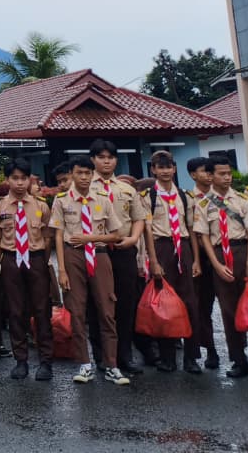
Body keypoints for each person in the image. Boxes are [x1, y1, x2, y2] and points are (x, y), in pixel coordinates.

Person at [51, 156, 128, 386]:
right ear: (72, 175)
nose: (84, 178)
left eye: (87, 173)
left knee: (106, 310)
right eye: (79, 173)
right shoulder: (62, 200)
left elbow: (117, 234)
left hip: (99, 254)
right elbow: (58, 235)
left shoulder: (102, 199)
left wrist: (90, 238)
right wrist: (61, 270)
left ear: (93, 175)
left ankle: (112, 364)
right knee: (76, 311)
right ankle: (84, 364)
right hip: (73, 256)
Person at [194, 152, 248, 380]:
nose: (227, 177)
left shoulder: (242, 199)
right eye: (222, 174)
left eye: (229, 173)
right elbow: (204, 237)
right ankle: (239, 359)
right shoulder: (204, 203)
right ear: (211, 176)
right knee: (229, 310)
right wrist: (216, 265)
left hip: (244, 252)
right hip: (220, 256)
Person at [0, 159, 54, 381]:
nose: (19, 183)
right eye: (15, 178)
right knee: (16, 311)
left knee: (42, 310)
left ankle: (45, 361)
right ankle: (21, 361)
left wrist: (42, 262)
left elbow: (47, 238)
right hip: (11, 259)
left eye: (24, 178)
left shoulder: (41, 206)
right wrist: (2, 264)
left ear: (30, 180)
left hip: (36, 259)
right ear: (7, 180)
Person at [88, 139, 147, 376]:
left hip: (124, 251)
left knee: (125, 304)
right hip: (97, 252)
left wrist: (134, 238)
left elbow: (139, 218)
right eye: (101, 157)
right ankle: (102, 356)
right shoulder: (84, 188)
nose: (106, 162)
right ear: (93, 160)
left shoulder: (127, 189)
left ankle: (125, 355)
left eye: (110, 157)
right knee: (98, 305)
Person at [142, 150, 202, 374]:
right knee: (164, 305)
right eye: (160, 167)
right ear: (153, 170)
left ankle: (191, 357)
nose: (165, 171)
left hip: (183, 248)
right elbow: (147, 231)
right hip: (162, 248)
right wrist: (153, 261)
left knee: (190, 304)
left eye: (169, 167)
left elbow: (192, 230)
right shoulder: (148, 197)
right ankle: (168, 357)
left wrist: (196, 260)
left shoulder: (185, 196)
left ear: (174, 169)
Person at [186, 155, 219, 368]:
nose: (208, 175)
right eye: (204, 171)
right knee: (200, 306)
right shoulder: (188, 199)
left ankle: (240, 354)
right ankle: (209, 350)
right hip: (199, 256)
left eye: (210, 171)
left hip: (223, 254)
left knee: (231, 305)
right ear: (192, 175)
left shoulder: (224, 197)